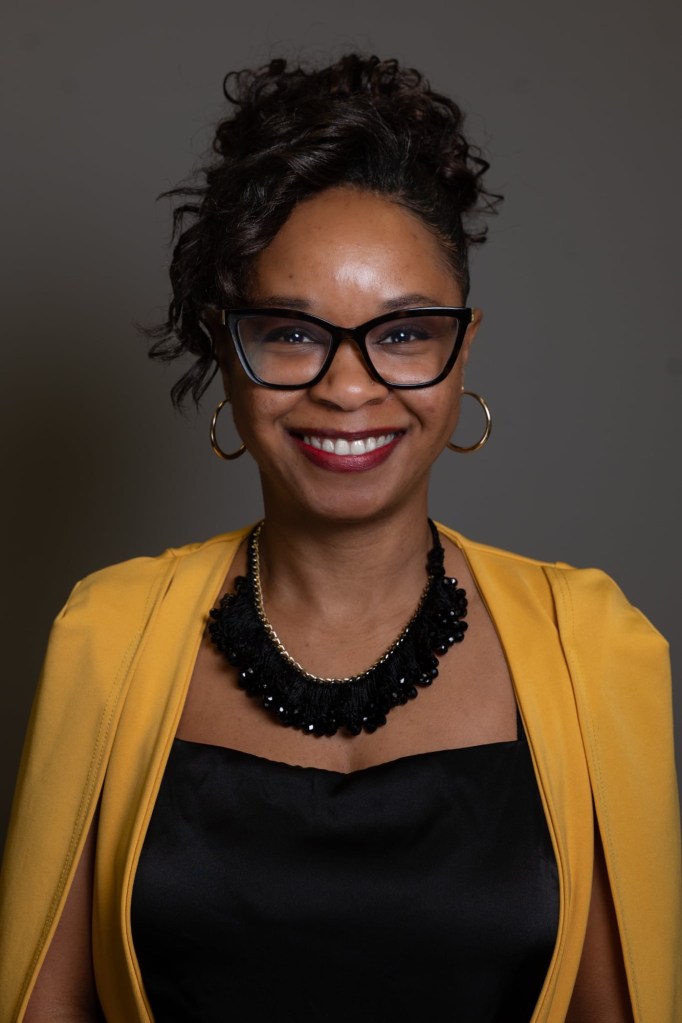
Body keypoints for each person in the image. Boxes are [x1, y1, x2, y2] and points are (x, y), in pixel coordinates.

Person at [1, 54, 679, 1023]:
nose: (348, 386)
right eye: (291, 332)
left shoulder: (595, 648)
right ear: (227, 348)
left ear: (463, 347)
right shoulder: (107, 636)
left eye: (402, 333)